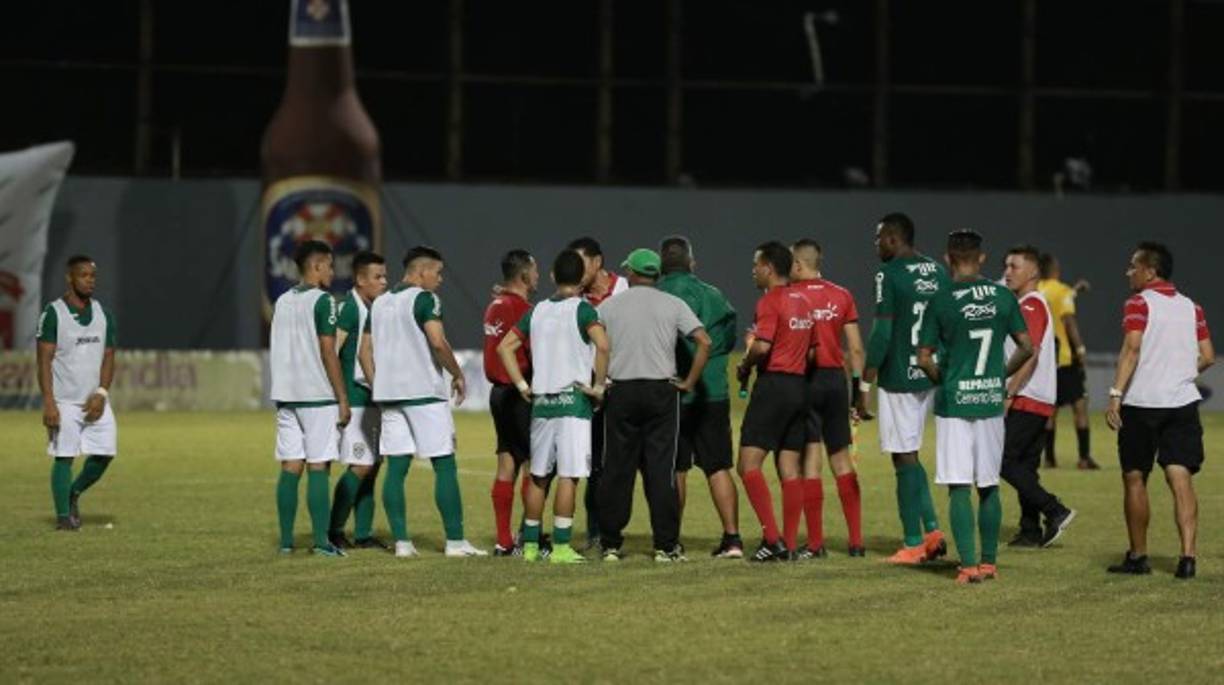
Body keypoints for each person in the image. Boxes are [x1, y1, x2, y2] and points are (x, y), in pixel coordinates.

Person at [916, 230, 1033, 585]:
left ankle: (967, 566)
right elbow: (1027, 347)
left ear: (948, 258)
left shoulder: (941, 300)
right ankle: (988, 563)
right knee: (989, 485)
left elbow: (923, 359)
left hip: (955, 402)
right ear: (982, 258)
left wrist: (942, 378)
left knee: (958, 486)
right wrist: (999, 377)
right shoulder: (1002, 296)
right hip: (989, 401)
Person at [368, 246, 486, 558]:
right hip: (422, 392)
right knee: (444, 463)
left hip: (389, 394)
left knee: (396, 468)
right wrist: (457, 373)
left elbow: (365, 349)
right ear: (421, 272)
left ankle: (403, 544)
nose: (441, 279)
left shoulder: (379, 303)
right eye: (437, 272)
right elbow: (437, 341)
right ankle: (455, 542)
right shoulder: (425, 299)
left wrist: (378, 380)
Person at [1105, 242, 1213, 580]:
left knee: (1135, 476)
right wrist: (1179, 374)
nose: (1128, 272)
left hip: (1142, 403)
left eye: (1133, 266)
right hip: (1182, 404)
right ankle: (1188, 558)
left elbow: (1131, 349)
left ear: (1150, 271)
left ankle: (1138, 557)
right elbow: (1208, 356)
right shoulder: (1191, 307)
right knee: (1180, 477)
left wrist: (1115, 394)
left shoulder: (1138, 303)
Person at [596, 248, 711, 562]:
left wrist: (599, 381)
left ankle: (610, 544)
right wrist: (688, 382)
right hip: (661, 392)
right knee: (661, 470)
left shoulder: (609, 306)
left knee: (617, 469)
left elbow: (597, 346)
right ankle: (666, 545)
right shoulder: (673, 304)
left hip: (621, 391)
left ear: (632, 273)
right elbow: (704, 341)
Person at [497, 249, 610, 564]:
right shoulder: (584, 310)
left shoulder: (538, 310)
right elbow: (602, 345)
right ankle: (561, 546)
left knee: (538, 476)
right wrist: (598, 387)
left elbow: (506, 346)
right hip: (573, 402)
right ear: (583, 277)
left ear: (552, 276)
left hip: (542, 403)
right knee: (569, 476)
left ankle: (531, 546)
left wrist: (522, 385)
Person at [861, 213, 949, 565]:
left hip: (899, 374)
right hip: (930, 371)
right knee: (910, 453)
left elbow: (882, 332)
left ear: (894, 239)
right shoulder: (936, 271)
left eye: (879, 237)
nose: (876, 244)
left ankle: (913, 542)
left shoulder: (888, 274)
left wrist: (864, 381)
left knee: (903, 457)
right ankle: (932, 531)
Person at [656, 236, 743, 559]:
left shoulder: (657, 296)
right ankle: (733, 539)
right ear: (693, 262)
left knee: (675, 470)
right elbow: (728, 336)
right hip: (712, 393)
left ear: (662, 266)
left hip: (673, 394)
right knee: (718, 466)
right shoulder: (714, 295)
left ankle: (672, 541)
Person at [268, 240, 350, 557]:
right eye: (329, 265)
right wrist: (341, 397)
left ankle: (287, 543)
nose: (332, 270)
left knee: (291, 466)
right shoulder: (324, 301)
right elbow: (327, 350)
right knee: (319, 467)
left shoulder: (283, 301)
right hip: (317, 396)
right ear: (316, 266)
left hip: (287, 396)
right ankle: (321, 542)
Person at [736, 241, 815, 562]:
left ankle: (772, 539)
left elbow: (763, 346)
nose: (753, 271)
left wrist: (745, 362)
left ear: (768, 267)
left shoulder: (770, 301)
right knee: (788, 466)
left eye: (756, 265)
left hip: (774, 387)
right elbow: (811, 351)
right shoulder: (805, 301)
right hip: (799, 387)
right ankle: (791, 543)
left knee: (747, 465)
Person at [789, 239, 866, 558]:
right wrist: (859, 392)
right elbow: (856, 349)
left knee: (811, 460)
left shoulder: (791, 296)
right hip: (836, 381)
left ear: (797, 264)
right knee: (842, 458)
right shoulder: (842, 294)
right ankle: (856, 542)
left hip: (806, 381)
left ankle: (817, 543)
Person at [1000, 246, 1076, 549]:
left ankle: (1054, 509)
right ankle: (1030, 530)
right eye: (1006, 265)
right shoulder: (1032, 303)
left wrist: (1010, 392)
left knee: (1002, 462)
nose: (1007, 271)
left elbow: (1029, 353)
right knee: (1025, 466)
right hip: (1040, 399)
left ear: (1033, 272)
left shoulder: (1030, 304)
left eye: (1014, 266)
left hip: (1026, 397)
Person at [36, 255, 118, 531]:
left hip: (95, 399)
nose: (90, 280)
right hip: (64, 400)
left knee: (105, 454)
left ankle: (73, 493)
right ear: (70, 278)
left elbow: (109, 357)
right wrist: (49, 402)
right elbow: (43, 360)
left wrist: (102, 392)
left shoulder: (104, 315)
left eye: (93, 276)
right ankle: (63, 519)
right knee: (64, 455)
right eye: (84, 275)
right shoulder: (53, 313)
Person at [327, 251, 389, 550]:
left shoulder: (373, 307)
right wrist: (340, 398)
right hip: (355, 398)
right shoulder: (350, 308)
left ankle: (363, 534)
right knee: (360, 465)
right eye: (377, 277)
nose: (383, 282)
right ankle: (334, 529)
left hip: (373, 398)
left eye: (384, 276)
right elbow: (331, 353)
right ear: (360, 279)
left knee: (373, 465)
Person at [568, 236, 627, 549]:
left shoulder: (626, 290)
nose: (576, 271)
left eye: (582, 263)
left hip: (626, 386)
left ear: (598, 262)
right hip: (592, 389)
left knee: (627, 464)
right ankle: (596, 531)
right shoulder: (574, 301)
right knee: (594, 464)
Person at [482, 249, 541, 556]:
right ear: (523, 275)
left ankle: (503, 540)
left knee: (506, 463)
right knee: (534, 465)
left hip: (498, 395)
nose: (538, 276)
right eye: (535, 270)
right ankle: (529, 538)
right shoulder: (521, 309)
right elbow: (532, 351)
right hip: (521, 393)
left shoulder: (495, 304)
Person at [1038, 254, 1099, 469]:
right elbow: (1068, 320)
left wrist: (1076, 290)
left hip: (1044, 361)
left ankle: (1049, 458)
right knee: (1080, 406)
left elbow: (1054, 303)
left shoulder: (1036, 290)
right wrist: (1080, 349)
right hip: (1064, 358)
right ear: (1055, 269)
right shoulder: (1061, 291)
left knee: (1050, 411)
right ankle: (1084, 458)